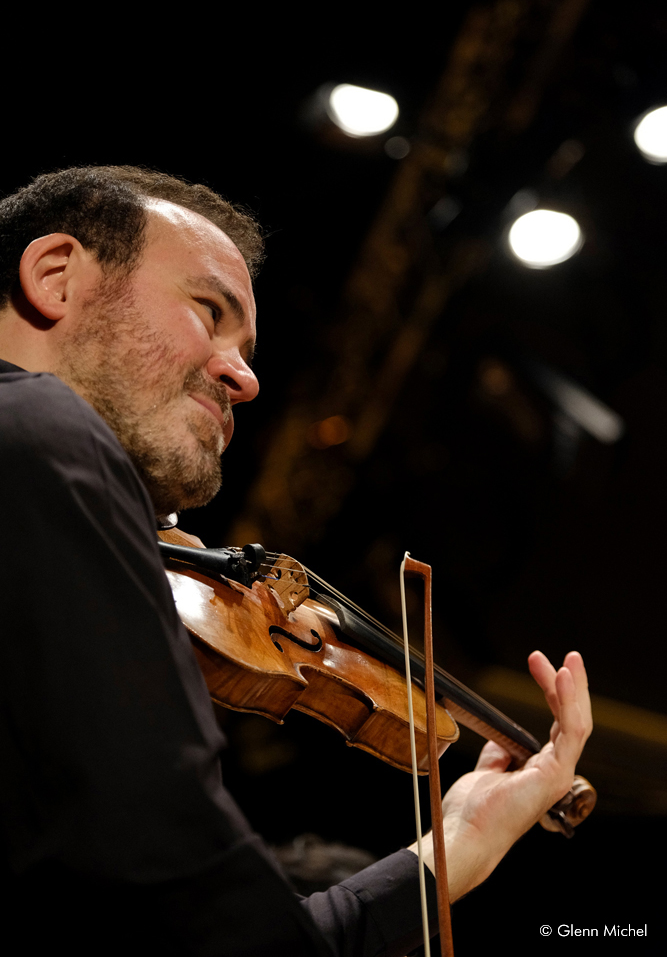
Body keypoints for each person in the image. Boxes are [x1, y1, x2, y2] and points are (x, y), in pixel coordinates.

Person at [0, 166, 592, 957]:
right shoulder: (46, 428)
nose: (245, 378)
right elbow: (219, 932)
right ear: (55, 276)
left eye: (245, 350)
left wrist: (458, 843)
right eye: (208, 311)